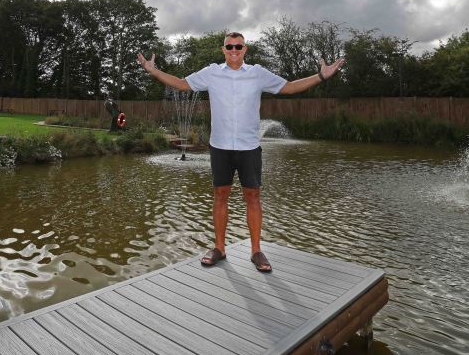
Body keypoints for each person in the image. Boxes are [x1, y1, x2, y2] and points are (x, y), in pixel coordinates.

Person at [138, 31, 343, 272]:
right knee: (220, 195)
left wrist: (321, 76)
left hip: (249, 148)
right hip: (220, 147)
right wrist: (154, 71)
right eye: (230, 47)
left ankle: (256, 251)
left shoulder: (257, 73)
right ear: (223, 50)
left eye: (238, 47)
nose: (234, 50)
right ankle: (219, 248)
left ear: (245, 50)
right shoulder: (211, 72)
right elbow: (182, 84)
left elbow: (288, 87)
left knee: (253, 197)